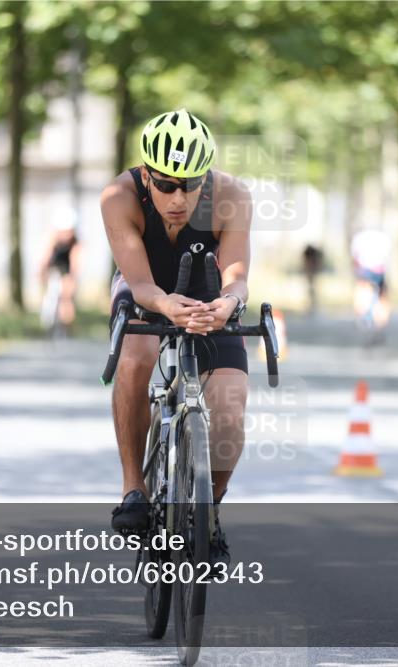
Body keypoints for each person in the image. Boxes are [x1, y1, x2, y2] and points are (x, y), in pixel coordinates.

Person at [100, 109, 250, 565]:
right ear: (146, 176)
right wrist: (164, 304)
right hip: (145, 285)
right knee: (136, 356)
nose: (179, 197)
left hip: (207, 293)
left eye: (191, 184)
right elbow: (142, 287)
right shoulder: (118, 197)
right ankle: (133, 489)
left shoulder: (232, 196)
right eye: (166, 185)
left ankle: (210, 513)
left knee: (228, 412)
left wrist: (227, 305)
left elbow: (237, 278)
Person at [37, 210, 82, 336]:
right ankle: (48, 319)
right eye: (64, 232)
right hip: (54, 264)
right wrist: (41, 273)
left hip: (67, 266)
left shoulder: (75, 242)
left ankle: (66, 326)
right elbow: (44, 258)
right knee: (50, 288)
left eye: (69, 232)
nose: (66, 235)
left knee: (66, 296)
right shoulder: (52, 238)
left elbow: (75, 262)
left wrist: (72, 278)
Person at [350, 228, 392, 339]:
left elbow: (355, 257)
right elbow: (386, 256)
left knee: (364, 293)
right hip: (379, 270)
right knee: (381, 297)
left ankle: (365, 318)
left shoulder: (359, 237)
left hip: (365, 270)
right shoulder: (383, 237)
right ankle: (379, 323)